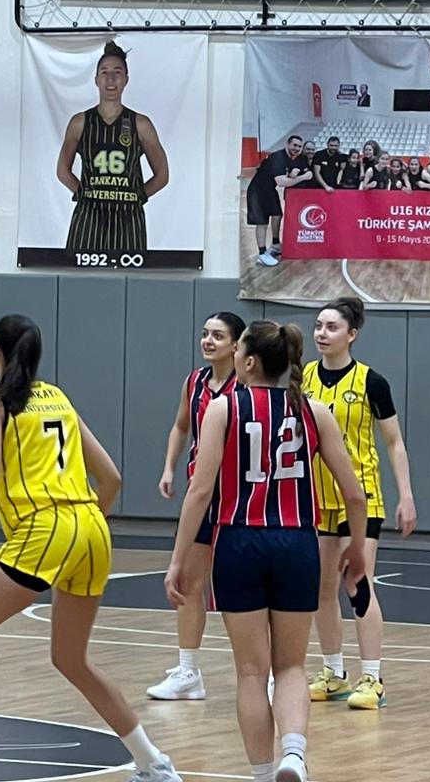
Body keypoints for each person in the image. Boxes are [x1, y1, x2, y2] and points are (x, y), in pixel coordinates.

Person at [0, 316, 181, 782]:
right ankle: (153, 761)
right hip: (91, 529)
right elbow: (111, 478)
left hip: (44, 528)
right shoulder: (59, 398)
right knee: (71, 659)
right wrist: (82, 526)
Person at [166, 319, 368, 782]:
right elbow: (354, 495)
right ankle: (293, 755)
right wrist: (357, 548)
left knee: (251, 672)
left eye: (238, 348)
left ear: (250, 361)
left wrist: (178, 559)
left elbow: (200, 491)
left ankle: (261, 774)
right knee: (292, 666)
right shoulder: (314, 410)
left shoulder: (224, 408)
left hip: (239, 541)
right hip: (297, 542)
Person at [304, 296, 417, 711]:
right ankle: (334, 672)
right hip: (318, 498)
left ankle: (373, 677)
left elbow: (394, 442)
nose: (322, 333)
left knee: (358, 583)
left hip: (361, 497)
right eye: (319, 325)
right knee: (322, 587)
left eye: (331, 327)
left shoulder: (372, 382)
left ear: (352, 334)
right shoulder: (304, 378)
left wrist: (406, 496)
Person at [148, 311, 245, 701]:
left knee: (245, 585)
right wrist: (169, 466)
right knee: (189, 580)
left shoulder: (246, 387)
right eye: (205, 334)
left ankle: (269, 673)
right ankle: (188, 671)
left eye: (218, 336)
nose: (208, 341)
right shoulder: (195, 382)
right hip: (201, 495)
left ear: (237, 345)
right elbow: (180, 425)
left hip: (240, 497)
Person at [56, 40, 170, 258]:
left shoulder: (140, 124)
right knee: (81, 277)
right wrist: (86, 195)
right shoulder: (80, 122)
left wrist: (135, 197)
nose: (110, 79)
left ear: (126, 79)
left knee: (128, 278)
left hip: (128, 222)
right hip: (88, 220)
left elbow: (162, 175)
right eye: (104, 72)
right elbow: (62, 171)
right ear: (96, 79)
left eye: (117, 72)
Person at [245, 134, 309, 266]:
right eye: (294, 145)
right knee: (262, 222)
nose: (297, 148)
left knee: (277, 215)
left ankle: (275, 244)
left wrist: (296, 172)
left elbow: (290, 174)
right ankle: (262, 254)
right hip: (257, 191)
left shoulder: (290, 158)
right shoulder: (278, 157)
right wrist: (303, 177)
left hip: (270, 190)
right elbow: (281, 181)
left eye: (299, 146)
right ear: (288, 144)